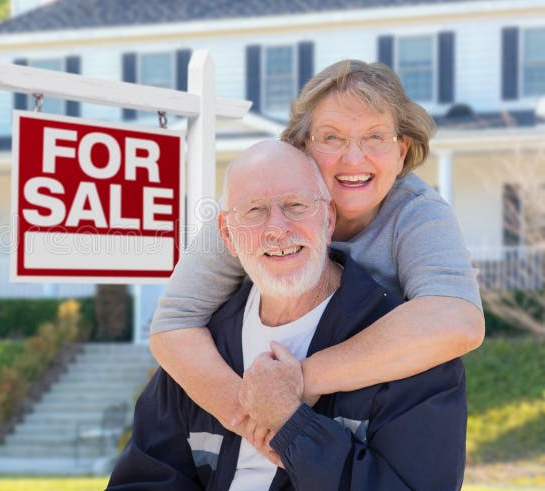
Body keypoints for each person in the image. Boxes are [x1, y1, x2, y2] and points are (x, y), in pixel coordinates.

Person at [148, 60, 483, 446]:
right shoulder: (252, 208)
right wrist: (254, 421)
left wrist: (300, 380)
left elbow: (459, 320)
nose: (353, 159)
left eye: (375, 137)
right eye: (332, 138)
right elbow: (173, 323)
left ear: (401, 151)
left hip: (371, 422)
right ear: (302, 147)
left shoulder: (417, 212)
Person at [106, 141, 467, 490]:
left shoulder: (411, 355)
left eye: (295, 205)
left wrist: (294, 429)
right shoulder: (202, 353)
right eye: (254, 210)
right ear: (227, 236)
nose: (277, 228)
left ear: (328, 219)